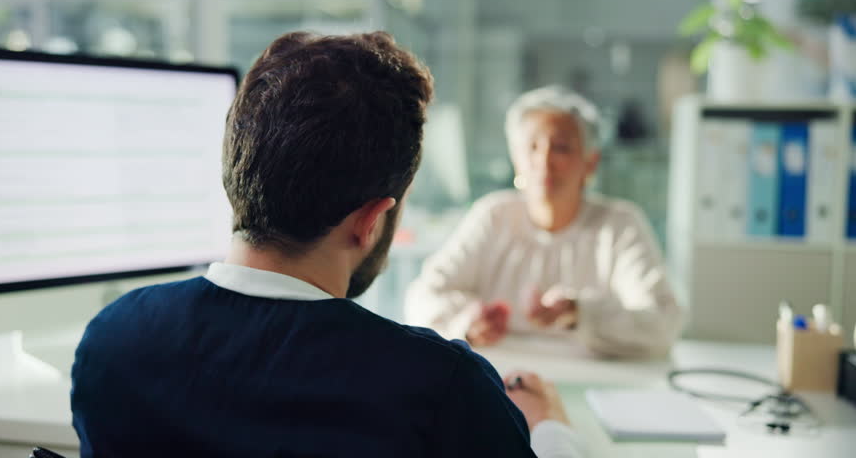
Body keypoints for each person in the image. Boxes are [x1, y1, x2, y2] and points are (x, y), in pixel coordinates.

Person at [70, 32, 582, 457]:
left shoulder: (113, 343)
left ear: (236, 174)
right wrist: (550, 428)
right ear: (373, 220)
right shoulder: (443, 391)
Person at [405, 85, 683, 358]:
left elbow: (664, 324)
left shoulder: (620, 225)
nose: (545, 160)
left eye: (561, 148)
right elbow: (422, 297)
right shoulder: (493, 215)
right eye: (533, 146)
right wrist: (468, 322)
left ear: (590, 163)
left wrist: (578, 313)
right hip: (498, 382)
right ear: (516, 159)